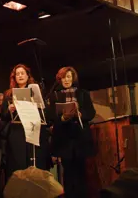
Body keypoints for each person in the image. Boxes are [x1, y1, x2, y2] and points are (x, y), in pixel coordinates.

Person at [48, 66, 96, 198]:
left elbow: (91, 112)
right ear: (60, 79)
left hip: (80, 138)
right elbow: (51, 116)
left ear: (73, 78)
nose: (66, 80)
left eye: (69, 76)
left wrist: (81, 114)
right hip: (64, 140)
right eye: (64, 77)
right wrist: (62, 118)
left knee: (81, 172)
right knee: (68, 173)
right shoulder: (55, 96)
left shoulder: (82, 93)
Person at [0, 64, 51, 179]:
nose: (20, 76)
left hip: (33, 130)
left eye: (22, 73)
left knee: (33, 164)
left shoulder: (35, 91)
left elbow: (45, 111)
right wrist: (9, 109)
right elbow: (3, 116)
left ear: (28, 75)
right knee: (18, 164)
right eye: (17, 74)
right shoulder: (8, 94)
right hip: (17, 133)